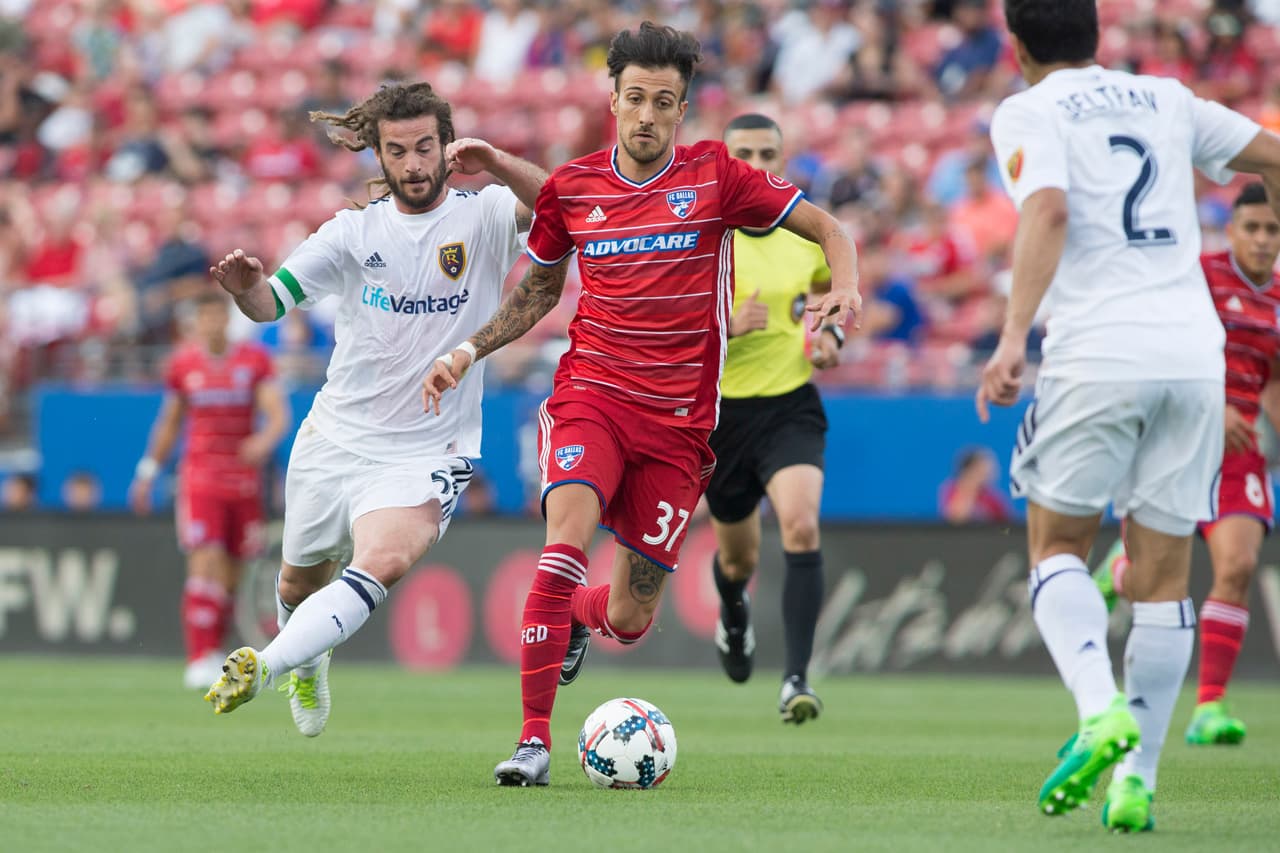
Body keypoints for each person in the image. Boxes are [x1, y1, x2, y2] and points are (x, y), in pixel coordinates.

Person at [423, 22, 861, 787]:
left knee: (627, 616)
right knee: (564, 541)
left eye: (665, 102)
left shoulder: (717, 177)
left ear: (682, 108)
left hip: (679, 429)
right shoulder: (579, 184)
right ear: (614, 100)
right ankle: (532, 740)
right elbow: (539, 278)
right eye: (635, 99)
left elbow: (825, 227)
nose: (648, 115)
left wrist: (845, 287)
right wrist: (468, 350)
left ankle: (577, 621)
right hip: (592, 395)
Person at [977, 0, 1280, 834]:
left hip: (1098, 355)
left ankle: (1099, 706)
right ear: (1098, 36)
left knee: (1057, 549)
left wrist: (1010, 339)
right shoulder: (1168, 98)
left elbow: (1046, 211)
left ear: (1017, 44)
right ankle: (1137, 781)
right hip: (1196, 360)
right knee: (1161, 575)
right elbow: (1275, 157)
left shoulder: (1029, 109)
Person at [202, 81, 546, 739]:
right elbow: (271, 302)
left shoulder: (485, 213)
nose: (414, 163)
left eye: (425, 147)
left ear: (448, 147)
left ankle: (268, 664)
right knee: (299, 585)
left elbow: (564, 205)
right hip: (336, 436)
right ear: (379, 157)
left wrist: (499, 160)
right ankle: (308, 658)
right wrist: (247, 290)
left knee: (382, 560)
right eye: (399, 151)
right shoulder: (353, 231)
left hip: (427, 448)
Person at [1092, 181, 1280, 747]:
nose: (1264, 239)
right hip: (1179, 437)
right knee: (1153, 581)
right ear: (1232, 230)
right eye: (1252, 228)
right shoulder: (1198, 274)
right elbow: (1163, 338)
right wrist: (1211, 400)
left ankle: (1209, 707)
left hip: (1241, 449)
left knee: (1239, 565)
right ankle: (1117, 573)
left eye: (1273, 229)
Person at [702, 112, 839, 723]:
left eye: (768, 154)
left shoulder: (805, 233)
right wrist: (723, 327)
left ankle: (796, 680)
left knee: (802, 526)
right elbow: (659, 325)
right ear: (723, 161)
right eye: (744, 154)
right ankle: (735, 613)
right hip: (719, 417)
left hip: (789, 405)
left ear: (783, 162)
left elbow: (828, 292)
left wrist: (830, 332)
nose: (757, 165)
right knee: (739, 561)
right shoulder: (705, 237)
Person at [130, 291, 288, 689]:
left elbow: (278, 415)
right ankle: (197, 656)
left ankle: (215, 650)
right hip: (200, 477)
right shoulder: (184, 364)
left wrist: (263, 442)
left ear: (227, 320)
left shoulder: (253, 360)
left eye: (219, 316)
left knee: (233, 572)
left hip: (243, 481)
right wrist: (148, 471)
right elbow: (169, 422)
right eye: (205, 317)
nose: (212, 323)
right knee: (207, 559)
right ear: (195, 323)